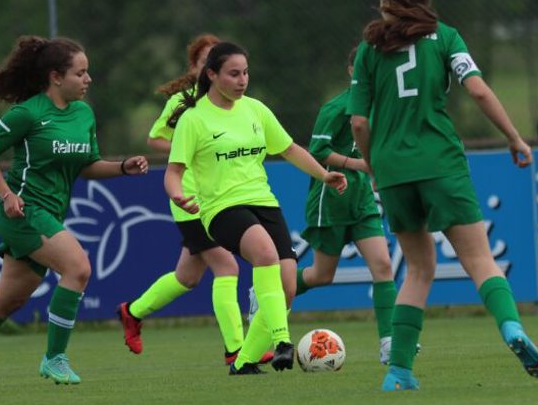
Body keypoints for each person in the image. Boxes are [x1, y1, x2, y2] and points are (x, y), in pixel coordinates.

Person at [348, 0, 538, 392]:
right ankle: (511, 329)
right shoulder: (446, 36)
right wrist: (514, 137)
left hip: (393, 169)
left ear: (385, 1)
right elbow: (476, 89)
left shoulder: (368, 50)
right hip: (440, 162)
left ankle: (399, 372)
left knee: (418, 270)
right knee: (479, 260)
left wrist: (375, 167)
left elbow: (359, 123)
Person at [165, 41, 347, 375]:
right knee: (264, 254)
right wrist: (177, 194)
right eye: (233, 74)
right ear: (212, 75)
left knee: (287, 286)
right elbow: (173, 172)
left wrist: (324, 175)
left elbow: (290, 149)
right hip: (221, 209)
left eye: (246, 73)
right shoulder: (194, 119)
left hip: (264, 202)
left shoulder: (255, 110)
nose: (242, 80)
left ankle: (244, 361)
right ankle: (282, 341)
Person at [0, 36, 149, 385]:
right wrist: (6, 194)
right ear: (56, 77)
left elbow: (87, 165)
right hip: (22, 212)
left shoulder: (83, 114)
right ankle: (55, 358)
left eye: (88, 72)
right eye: (80, 73)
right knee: (78, 267)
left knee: (7, 300)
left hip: (51, 213)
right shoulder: (28, 113)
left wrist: (122, 167)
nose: (88, 80)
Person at [117, 34, 272, 366]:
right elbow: (156, 138)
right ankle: (236, 349)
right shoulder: (184, 103)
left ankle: (133, 311)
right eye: (206, 61)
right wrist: (187, 153)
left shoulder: (235, 106)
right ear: (201, 69)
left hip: (222, 196)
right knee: (227, 266)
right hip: (190, 197)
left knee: (187, 276)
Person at [251, 46, 398, 364]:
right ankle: (265, 294)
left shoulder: (382, 108)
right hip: (329, 199)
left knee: (384, 267)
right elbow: (317, 151)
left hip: (361, 200)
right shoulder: (337, 108)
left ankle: (389, 343)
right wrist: (361, 166)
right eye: (364, 68)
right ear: (351, 72)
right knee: (321, 275)